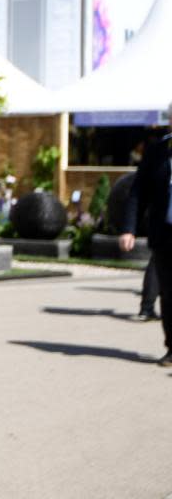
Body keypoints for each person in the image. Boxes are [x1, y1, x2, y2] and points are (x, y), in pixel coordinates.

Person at [120, 105, 172, 366]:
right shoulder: (157, 152)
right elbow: (138, 193)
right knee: (169, 294)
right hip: (164, 234)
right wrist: (129, 228)